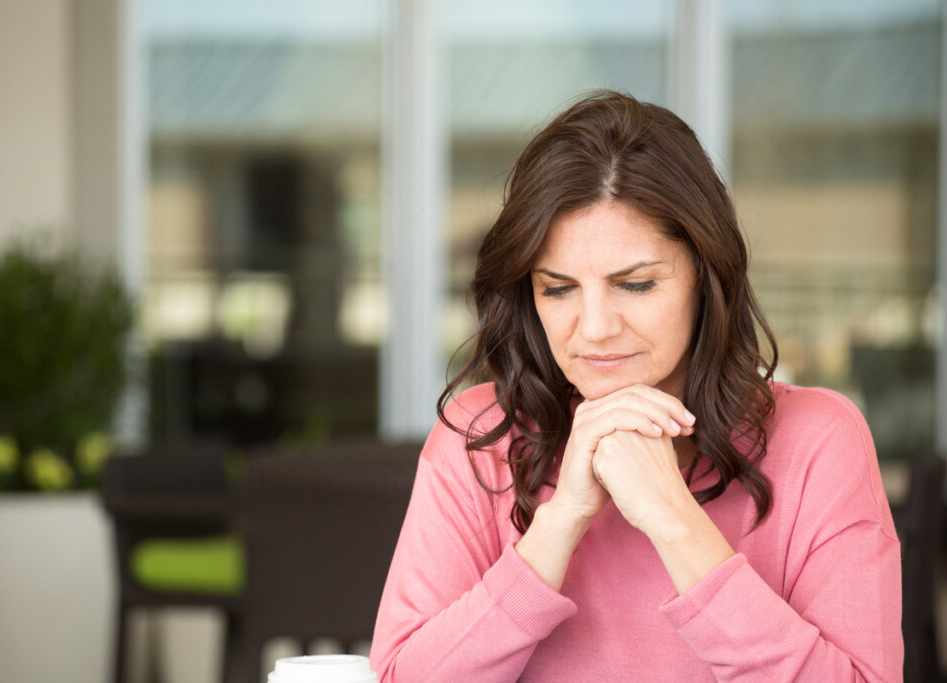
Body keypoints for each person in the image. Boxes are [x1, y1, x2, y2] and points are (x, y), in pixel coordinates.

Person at [369, 90, 903, 681]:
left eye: (636, 285)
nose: (594, 329)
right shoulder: (480, 438)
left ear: (707, 275)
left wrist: (674, 520)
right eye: (558, 288)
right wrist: (561, 520)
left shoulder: (818, 441)